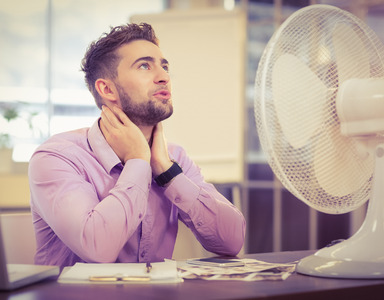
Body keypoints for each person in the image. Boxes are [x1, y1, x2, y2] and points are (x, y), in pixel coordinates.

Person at [28, 23, 246, 267]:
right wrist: (138, 161)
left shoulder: (173, 158)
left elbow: (233, 241)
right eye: (145, 65)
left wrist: (167, 172)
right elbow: (97, 248)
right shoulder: (56, 157)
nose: (164, 76)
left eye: (164, 66)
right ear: (107, 89)